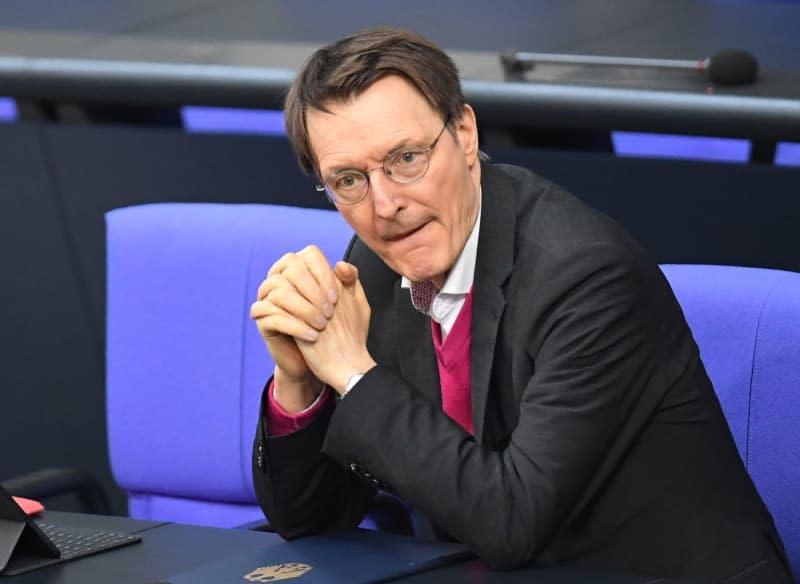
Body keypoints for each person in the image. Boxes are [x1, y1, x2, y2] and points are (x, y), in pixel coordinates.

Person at [249, 28, 792, 582]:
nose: (385, 204)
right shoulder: (376, 261)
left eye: (406, 158)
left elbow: (511, 519)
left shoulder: (586, 276)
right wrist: (301, 384)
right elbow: (308, 520)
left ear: (463, 134)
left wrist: (352, 373)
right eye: (348, 180)